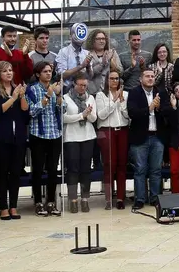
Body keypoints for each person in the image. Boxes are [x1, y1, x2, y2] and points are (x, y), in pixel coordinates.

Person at [0, 62, 28, 220]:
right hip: (1, 137)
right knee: (2, 172)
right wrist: (13, 97)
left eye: (11, 70)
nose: (9, 73)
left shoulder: (17, 88)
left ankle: (13, 206)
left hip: (18, 136)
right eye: (5, 71)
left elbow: (25, 113)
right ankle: (3, 207)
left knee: (16, 173)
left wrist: (22, 96)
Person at [127, 68, 171, 209]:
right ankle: (140, 199)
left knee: (156, 170)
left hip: (157, 137)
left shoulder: (161, 93)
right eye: (147, 76)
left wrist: (158, 109)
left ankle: (154, 198)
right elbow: (132, 113)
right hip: (141, 137)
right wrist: (150, 108)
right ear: (141, 79)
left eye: (152, 76)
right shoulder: (134, 93)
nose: (150, 78)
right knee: (140, 170)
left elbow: (168, 112)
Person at [26, 62, 63, 217]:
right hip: (38, 135)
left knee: (53, 169)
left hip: (55, 133)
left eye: (50, 71)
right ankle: (38, 202)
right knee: (38, 170)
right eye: (45, 71)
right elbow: (32, 112)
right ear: (37, 74)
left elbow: (63, 109)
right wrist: (48, 95)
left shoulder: (56, 89)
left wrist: (59, 97)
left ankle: (51, 201)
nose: (49, 74)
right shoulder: (32, 90)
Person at [62, 74, 97, 213]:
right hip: (71, 137)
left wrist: (88, 114)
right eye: (80, 85)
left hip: (88, 136)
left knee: (86, 169)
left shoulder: (90, 98)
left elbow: (94, 119)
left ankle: (85, 199)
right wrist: (81, 115)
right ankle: (73, 200)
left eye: (85, 85)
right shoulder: (66, 98)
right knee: (73, 169)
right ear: (74, 84)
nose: (82, 88)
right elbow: (64, 118)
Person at [95, 70, 130, 210]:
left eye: (117, 78)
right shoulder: (100, 95)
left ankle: (121, 198)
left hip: (122, 130)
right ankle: (109, 198)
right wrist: (114, 101)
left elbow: (127, 116)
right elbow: (101, 115)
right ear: (107, 80)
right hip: (106, 130)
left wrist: (121, 102)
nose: (115, 81)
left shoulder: (125, 94)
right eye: (112, 78)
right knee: (110, 164)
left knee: (122, 164)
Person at [84, 29, 121, 95]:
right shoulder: (87, 54)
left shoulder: (112, 52)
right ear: (92, 41)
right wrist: (103, 64)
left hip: (109, 91)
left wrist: (112, 62)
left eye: (103, 39)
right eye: (98, 39)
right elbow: (87, 74)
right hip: (92, 92)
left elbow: (120, 71)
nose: (101, 41)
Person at [56, 26, 92, 92]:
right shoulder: (63, 52)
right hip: (67, 89)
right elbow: (61, 75)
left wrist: (88, 66)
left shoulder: (87, 53)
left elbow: (90, 76)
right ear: (70, 36)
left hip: (83, 89)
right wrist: (81, 66)